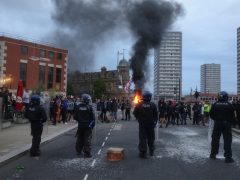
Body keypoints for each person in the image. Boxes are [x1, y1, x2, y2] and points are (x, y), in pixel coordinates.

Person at [209, 91, 235, 163]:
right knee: (227, 140)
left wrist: (217, 119)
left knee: (215, 139)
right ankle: (228, 157)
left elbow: (211, 115)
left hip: (217, 123)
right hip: (226, 124)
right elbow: (233, 116)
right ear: (226, 97)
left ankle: (213, 154)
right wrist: (229, 121)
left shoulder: (215, 104)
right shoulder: (229, 105)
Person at [133, 91, 158, 158]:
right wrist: (155, 122)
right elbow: (156, 115)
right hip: (151, 124)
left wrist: (138, 118)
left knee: (143, 138)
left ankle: (143, 153)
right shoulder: (153, 105)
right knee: (151, 138)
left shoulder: (139, 104)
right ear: (149, 97)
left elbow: (135, 113)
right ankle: (151, 151)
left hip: (142, 124)